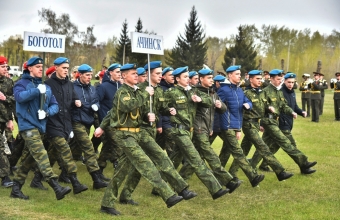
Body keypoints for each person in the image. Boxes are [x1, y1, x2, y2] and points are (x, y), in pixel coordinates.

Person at [97, 63, 183, 216]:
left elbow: (139, 112)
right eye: (133, 74)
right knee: (146, 164)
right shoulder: (122, 92)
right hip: (124, 134)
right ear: (124, 76)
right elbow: (127, 106)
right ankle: (168, 195)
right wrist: (145, 94)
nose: (136, 76)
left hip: (136, 133)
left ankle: (106, 203)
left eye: (137, 73)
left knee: (121, 171)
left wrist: (149, 116)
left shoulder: (136, 91)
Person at [114, 61, 197, 205]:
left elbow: (161, 108)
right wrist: (147, 115)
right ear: (149, 74)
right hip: (139, 132)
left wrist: (168, 110)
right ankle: (181, 189)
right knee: (157, 159)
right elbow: (130, 111)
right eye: (158, 73)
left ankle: (124, 196)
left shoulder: (159, 90)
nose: (161, 76)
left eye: (161, 73)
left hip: (149, 132)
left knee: (134, 167)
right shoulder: (139, 89)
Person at [11, 56, 71, 200]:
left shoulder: (46, 87)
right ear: (30, 68)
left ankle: (15, 189)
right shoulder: (21, 83)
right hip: (28, 126)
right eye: (37, 67)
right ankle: (56, 186)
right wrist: (37, 91)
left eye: (41, 67)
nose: (40, 69)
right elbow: (19, 97)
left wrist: (47, 112)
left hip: (41, 126)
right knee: (42, 155)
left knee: (29, 160)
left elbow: (55, 104)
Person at [166, 66, 229, 199]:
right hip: (178, 130)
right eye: (184, 77)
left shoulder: (192, 91)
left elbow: (209, 102)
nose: (187, 79)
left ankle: (159, 187)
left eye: (188, 77)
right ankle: (215, 189)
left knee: (171, 161)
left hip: (190, 131)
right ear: (177, 79)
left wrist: (200, 100)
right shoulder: (171, 92)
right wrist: (168, 111)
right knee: (196, 160)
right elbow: (160, 107)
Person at [178, 68, 242, 193]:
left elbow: (223, 108)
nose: (211, 80)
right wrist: (210, 101)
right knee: (210, 155)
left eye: (212, 78)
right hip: (198, 128)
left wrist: (220, 105)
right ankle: (228, 181)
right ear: (201, 79)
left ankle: (179, 182)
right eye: (209, 78)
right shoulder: (195, 91)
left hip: (207, 129)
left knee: (196, 158)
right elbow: (202, 104)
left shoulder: (213, 92)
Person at [229, 70, 293, 181]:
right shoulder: (246, 93)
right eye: (257, 79)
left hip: (256, 124)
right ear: (251, 79)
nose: (260, 81)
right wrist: (237, 128)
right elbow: (239, 111)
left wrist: (269, 109)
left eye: (261, 78)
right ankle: (280, 172)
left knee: (243, 150)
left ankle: (231, 174)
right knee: (263, 147)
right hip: (248, 124)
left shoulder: (261, 92)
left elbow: (262, 107)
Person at [251, 70, 317, 175]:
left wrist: (294, 112)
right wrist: (261, 123)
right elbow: (260, 109)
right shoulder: (266, 91)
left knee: (265, 146)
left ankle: (253, 166)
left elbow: (285, 106)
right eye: (279, 79)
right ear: (271, 79)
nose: (280, 82)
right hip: (273, 122)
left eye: (281, 79)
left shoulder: (279, 91)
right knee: (289, 144)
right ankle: (304, 163)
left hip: (276, 123)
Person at [44, 57, 88, 193]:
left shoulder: (69, 84)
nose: (66, 71)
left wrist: (77, 102)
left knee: (52, 152)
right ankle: (75, 182)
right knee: (65, 152)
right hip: (52, 123)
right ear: (56, 67)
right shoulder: (48, 84)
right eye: (63, 68)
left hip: (65, 124)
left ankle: (36, 178)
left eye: (67, 68)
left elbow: (74, 98)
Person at [217, 65, 265, 187]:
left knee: (225, 152)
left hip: (235, 125)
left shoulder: (239, 90)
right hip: (226, 125)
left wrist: (248, 105)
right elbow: (217, 108)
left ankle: (218, 176)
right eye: (237, 74)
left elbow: (247, 101)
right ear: (229, 75)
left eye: (240, 74)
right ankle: (253, 177)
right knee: (238, 152)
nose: (240, 76)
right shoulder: (223, 90)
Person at [70, 63, 108, 189]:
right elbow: (70, 103)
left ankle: (64, 173)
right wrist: (79, 105)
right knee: (89, 148)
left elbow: (95, 100)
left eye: (91, 75)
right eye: (87, 75)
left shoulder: (92, 88)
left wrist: (96, 105)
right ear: (79, 75)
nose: (89, 77)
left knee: (75, 150)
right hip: (77, 121)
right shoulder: (72, 87)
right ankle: (96, 179)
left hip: (88, 120)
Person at [96, 63, 122, 177]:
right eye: (117, 72)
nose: (119, 74)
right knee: (118, 144)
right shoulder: (103, 87)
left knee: (107, 146)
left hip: (119, 121)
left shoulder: (121, 87)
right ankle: (120, 169)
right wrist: (102, 121)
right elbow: (98, 102)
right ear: (110, 73)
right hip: (107, 121)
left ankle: (99, 170)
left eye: (120, 72)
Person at [0, 56, 14, 187]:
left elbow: (13, 101)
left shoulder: (8, 82)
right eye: (2, 66)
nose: (5, 69)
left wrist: (5, 98)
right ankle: (5, 177)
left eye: (6, 67)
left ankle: (5, 177)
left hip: (2, 119)